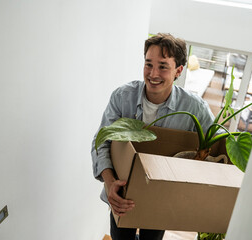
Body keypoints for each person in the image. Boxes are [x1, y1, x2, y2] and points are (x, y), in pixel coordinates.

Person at [91, 33, 215, 240]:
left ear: (178, 71)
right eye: (148, 64)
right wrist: (109, 183)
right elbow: (102, 141)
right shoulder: (122, 97)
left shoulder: (194, 107)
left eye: (163, 66)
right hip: (122, 192)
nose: (153, 73)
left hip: (162, 195)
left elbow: (216, 140)